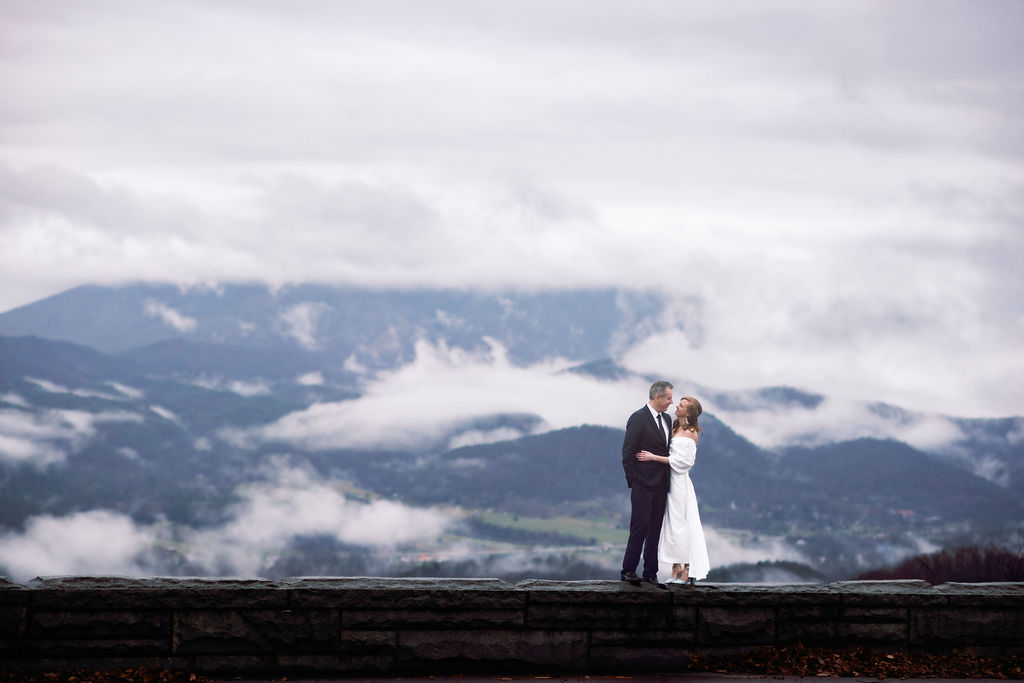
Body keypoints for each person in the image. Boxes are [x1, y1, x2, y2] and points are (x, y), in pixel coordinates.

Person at [637, 396, 710, 584]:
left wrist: (654, 457)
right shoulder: (674, 427)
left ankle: (687, 568)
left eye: (681, 406)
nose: (676, 406)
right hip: (667, 481)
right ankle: (676, 566)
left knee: (680, 524)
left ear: (689, 412)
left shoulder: (691, 433)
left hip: (679, 483)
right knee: (671, 524)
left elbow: (684, 462)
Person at [620, 380, 674, 588]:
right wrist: (636, 480)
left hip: (661, 485)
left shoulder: (667, 419)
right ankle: (628, 571)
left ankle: (651, 573)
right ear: (658, 397)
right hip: (643, 484)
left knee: (655, 529)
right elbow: (627, 454)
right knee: (639, 527)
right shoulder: (638, 418)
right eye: (669, 398)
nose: (671, 402)